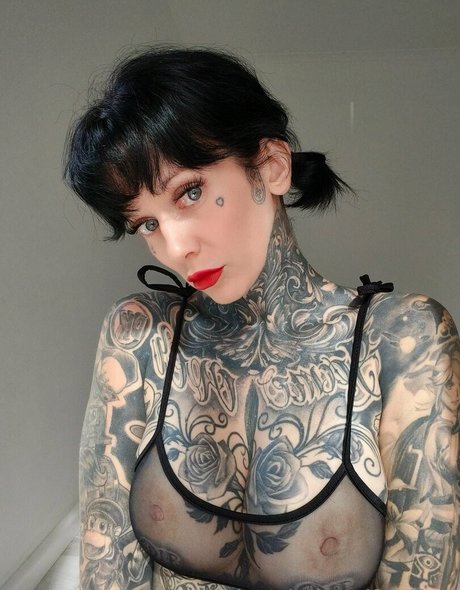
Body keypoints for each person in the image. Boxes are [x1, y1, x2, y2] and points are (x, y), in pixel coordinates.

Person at [64, 46, 459, 590]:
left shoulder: (402, 342)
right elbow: (107, 570)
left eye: (190, 192)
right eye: (146, 224)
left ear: (271, 166)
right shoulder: (140, 337)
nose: (176, 248)